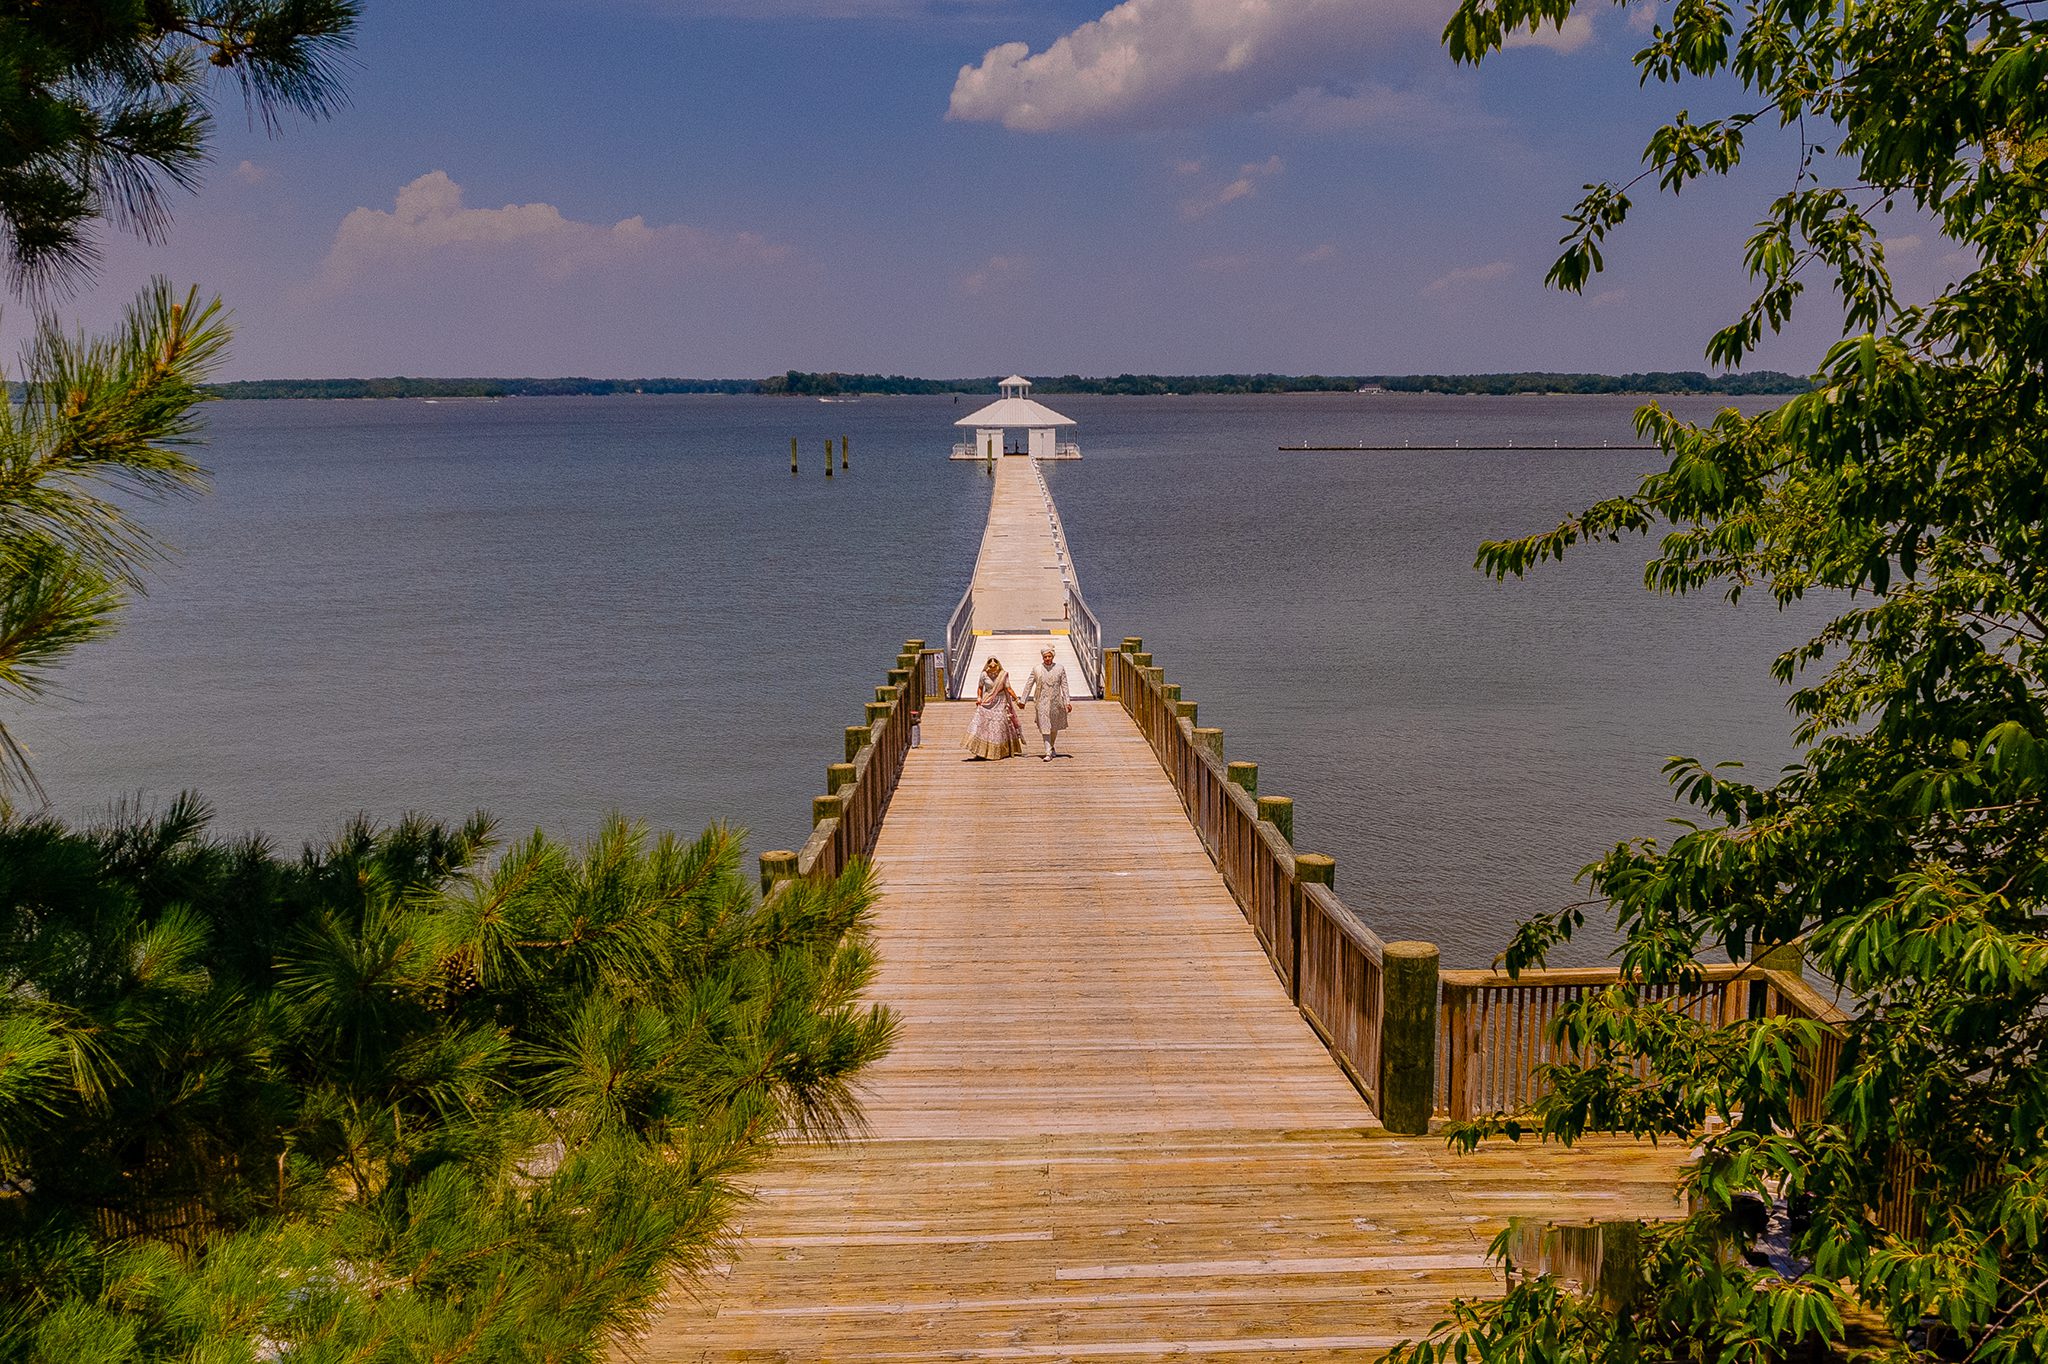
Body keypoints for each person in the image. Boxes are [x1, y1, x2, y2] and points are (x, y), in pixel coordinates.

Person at [964, 656, 1024, 760]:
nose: (992, 668)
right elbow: (980, 687)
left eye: (994, 666)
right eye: (990, 666)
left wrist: (1017, 700)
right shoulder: (984, 674)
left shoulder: (1003, 674)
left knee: (999, 724)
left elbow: (1008, 688)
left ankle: (1000, 751)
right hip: (988, 701)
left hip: (1000, 701)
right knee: (984, 724)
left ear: (997, 665)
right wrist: (979, 698)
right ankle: (981, 750)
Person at [1020, 646, 1072, 761]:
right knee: (1045, 726)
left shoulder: (1060, 668)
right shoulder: (1037, 669)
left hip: (1056, 701)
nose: (1047, 659)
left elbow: (1064, 686)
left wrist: (1067, 701)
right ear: (1042, 657)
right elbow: (1029, 684)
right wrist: (1023, 700)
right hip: (1041, 701)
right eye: (1045, 657)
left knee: (1054, 727)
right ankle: (1048, 752)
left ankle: (1052, 746)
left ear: (1053, 656)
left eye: (1049, 656)